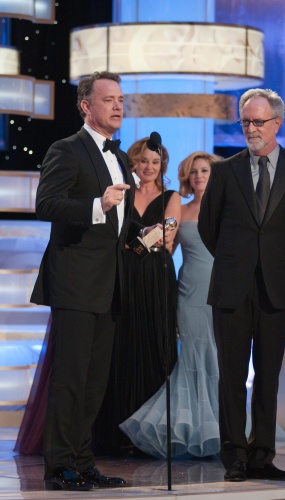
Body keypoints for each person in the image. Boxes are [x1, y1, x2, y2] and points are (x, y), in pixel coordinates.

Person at [28, 71, 161, 491]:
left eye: (121, 99)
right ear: (87, 106)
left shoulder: (120, 157)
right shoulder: (65, 149)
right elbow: (46, 204)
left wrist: (148, 236)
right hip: (75, 282)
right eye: (109, 100)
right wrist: (95, 204)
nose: (118, 106)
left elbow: (119, 222)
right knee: (71, 379)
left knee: (93, 382)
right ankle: (60, 466)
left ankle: (83, 462)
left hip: (110, 284)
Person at [198, 88, 285, 482]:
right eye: (245, 121)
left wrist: (277, 259)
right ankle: (234, 457)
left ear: (276, 124)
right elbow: (208, 228)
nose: (251, 129)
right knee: (232, 377)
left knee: (269, 377)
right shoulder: (224, 171)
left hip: (277, 288)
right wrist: (239, 260)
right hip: (232, 288)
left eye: (258, 122)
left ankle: (262, 456)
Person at [118, 151, 222, 458]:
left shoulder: (228, 210)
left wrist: (130, 247)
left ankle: (223, 430)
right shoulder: (182, 208)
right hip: (188, 291)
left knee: (218, 361)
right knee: (190, 359)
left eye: (205, 170)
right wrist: (138, 248)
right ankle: (191, 431)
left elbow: (165, 233)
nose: (199, 176)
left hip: (220, 290)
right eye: (194, 172)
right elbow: (166, 238)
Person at [92, 137, 181, 456]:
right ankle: (115, 433)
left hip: (156, 279)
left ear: (162, 167)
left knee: (154, 347)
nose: (149, 167)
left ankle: (149, 437)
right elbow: (112, 232)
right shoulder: (123, 193)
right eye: (144, 161)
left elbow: (167, 240)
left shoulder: (172, 197)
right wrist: (141, 239)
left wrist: (135, 243)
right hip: (122, 278)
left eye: (155, 163)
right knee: (121, 349)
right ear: (134, 162)